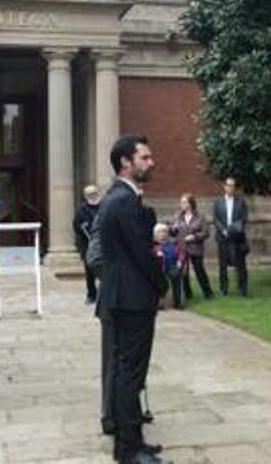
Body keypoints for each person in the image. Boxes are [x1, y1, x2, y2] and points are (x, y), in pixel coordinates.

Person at [97, 134, 168, 464]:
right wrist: (162, 284)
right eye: (145, 157)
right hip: (131, 297)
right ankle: (128, 449)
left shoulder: (120, 198)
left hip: (125, 296)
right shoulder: (123, 201)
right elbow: (140, 253)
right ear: (126, 162)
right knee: (129, 373)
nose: (151, 162)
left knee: (129, 372)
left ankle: (133, 440)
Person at [212, 177, 250, 297]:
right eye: (228, 185)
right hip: (223, 237)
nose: (230, 188)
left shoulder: (241, 202)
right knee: (223, 265)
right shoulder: (218, 202)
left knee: (241, 264)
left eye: (233, 186)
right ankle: (223, 288)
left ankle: (243, 288)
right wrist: (223, 230)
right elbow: (216, 219)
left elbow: (243, 219)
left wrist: (234, 229)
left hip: (237, 237)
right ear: (224, 187)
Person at [171, 193, 212, 301]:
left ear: (190, 204)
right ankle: (187, 293)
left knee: (199, 271)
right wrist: (173, 230)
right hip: (182, 248)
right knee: (183, 272)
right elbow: (173, 231)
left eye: (184, 202)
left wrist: (194, 237)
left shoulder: (200, 216)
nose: (182, 204)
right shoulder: (178, 216)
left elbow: (206, 232)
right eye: (181, 202)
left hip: (195, 248)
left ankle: (208, 292)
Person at [74, 185, 102, 304]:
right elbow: (77, 225)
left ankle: (104, 293)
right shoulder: (81, 209)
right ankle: (91, 294)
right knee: (89, 268)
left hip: (103, 242)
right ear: (85, 196)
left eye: (94, 193)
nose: (93, 196)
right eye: (90, 194)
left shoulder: (104, 206)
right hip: (87, 243)